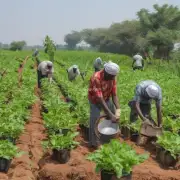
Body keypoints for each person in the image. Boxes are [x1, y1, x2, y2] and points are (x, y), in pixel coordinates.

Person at [88, 61, 121, 148]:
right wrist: (110, 114)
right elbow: (99, 98)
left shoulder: (112, 78)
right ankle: (94, 143)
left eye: (114, 76)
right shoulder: (96, 78)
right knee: (95, 119)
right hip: (95, 100)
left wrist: (118, 109)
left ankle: (108, 137)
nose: (113, 78)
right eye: (112, 76)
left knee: (113, 117)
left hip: (106, 98)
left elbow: (114, 95)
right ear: (106, 73)